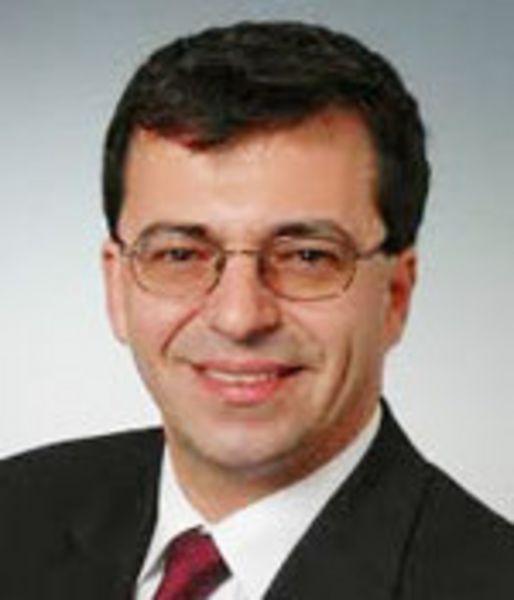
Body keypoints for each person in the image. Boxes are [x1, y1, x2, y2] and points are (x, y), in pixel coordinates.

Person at [1, 20, 513, 600]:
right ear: (117, 287)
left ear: (395, 294)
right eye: (179, 254)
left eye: (307, 256)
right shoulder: (15, 514)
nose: (239, 317)